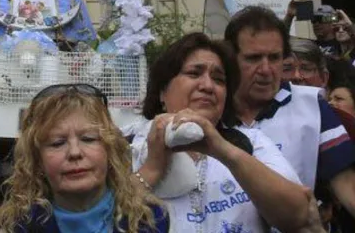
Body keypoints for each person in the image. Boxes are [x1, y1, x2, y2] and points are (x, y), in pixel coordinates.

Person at [132, 32, 309, 232]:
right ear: (163, 91)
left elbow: (301, 216)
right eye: (193, 73)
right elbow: (100, 220)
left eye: (219, 79)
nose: (208, 86)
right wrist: (151, 169)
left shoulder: (251, 142)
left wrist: (224, 151)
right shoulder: (129, 149)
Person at [225, 5, 355, 217]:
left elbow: (348, 187)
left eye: (274, 58)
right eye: (253, 58)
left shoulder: (312, 106)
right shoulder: (212, 109)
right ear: (231, 58)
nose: (266, 70)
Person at [0, 84, 169, 233]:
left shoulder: (150, 220)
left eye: (88, 139)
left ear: (110, 151)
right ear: (37, 161)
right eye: (57, 143)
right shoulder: (15, 226)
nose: (75, 152)